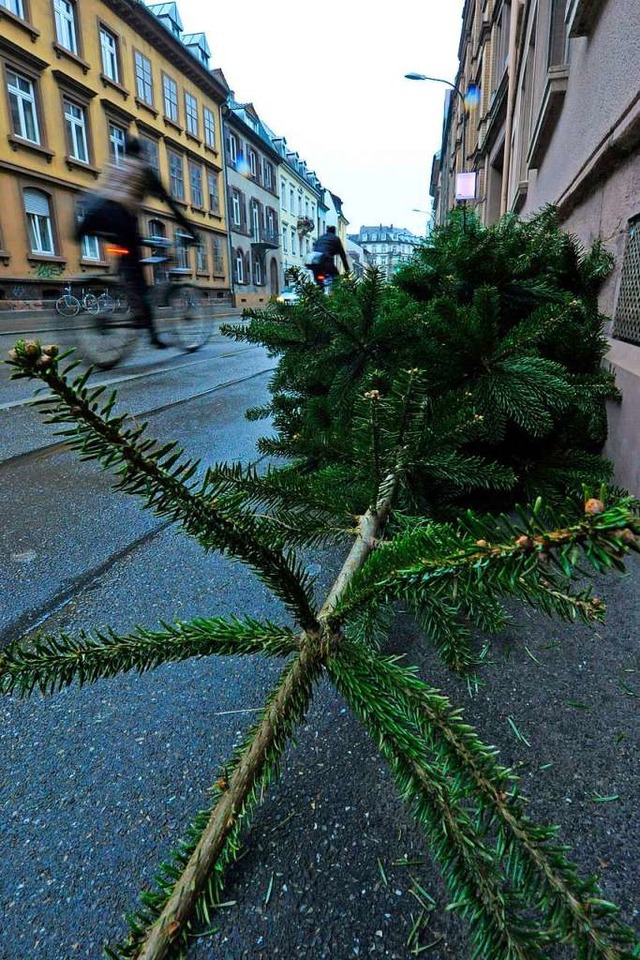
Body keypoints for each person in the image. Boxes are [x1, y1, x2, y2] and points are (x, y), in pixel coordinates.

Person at [75, 134, 196, 348]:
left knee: (127, 266)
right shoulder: (143, 170)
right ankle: (153, 336)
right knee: (140, 283)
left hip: (95, 216)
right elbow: (171, 205)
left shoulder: (116, 166)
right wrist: (191, 231)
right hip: (120, 219)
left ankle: (121, 288)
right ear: (141, 154)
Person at [309, 225, 349, 291]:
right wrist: (347, 271)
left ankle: (318, 294)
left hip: (314, 259)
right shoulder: (335, 239)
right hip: (326, 259)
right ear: (334, 232)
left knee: (318, 281)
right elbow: (343, 256)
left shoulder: (321, 237)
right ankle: (335, 292)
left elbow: (315, 248)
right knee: (336, 276)